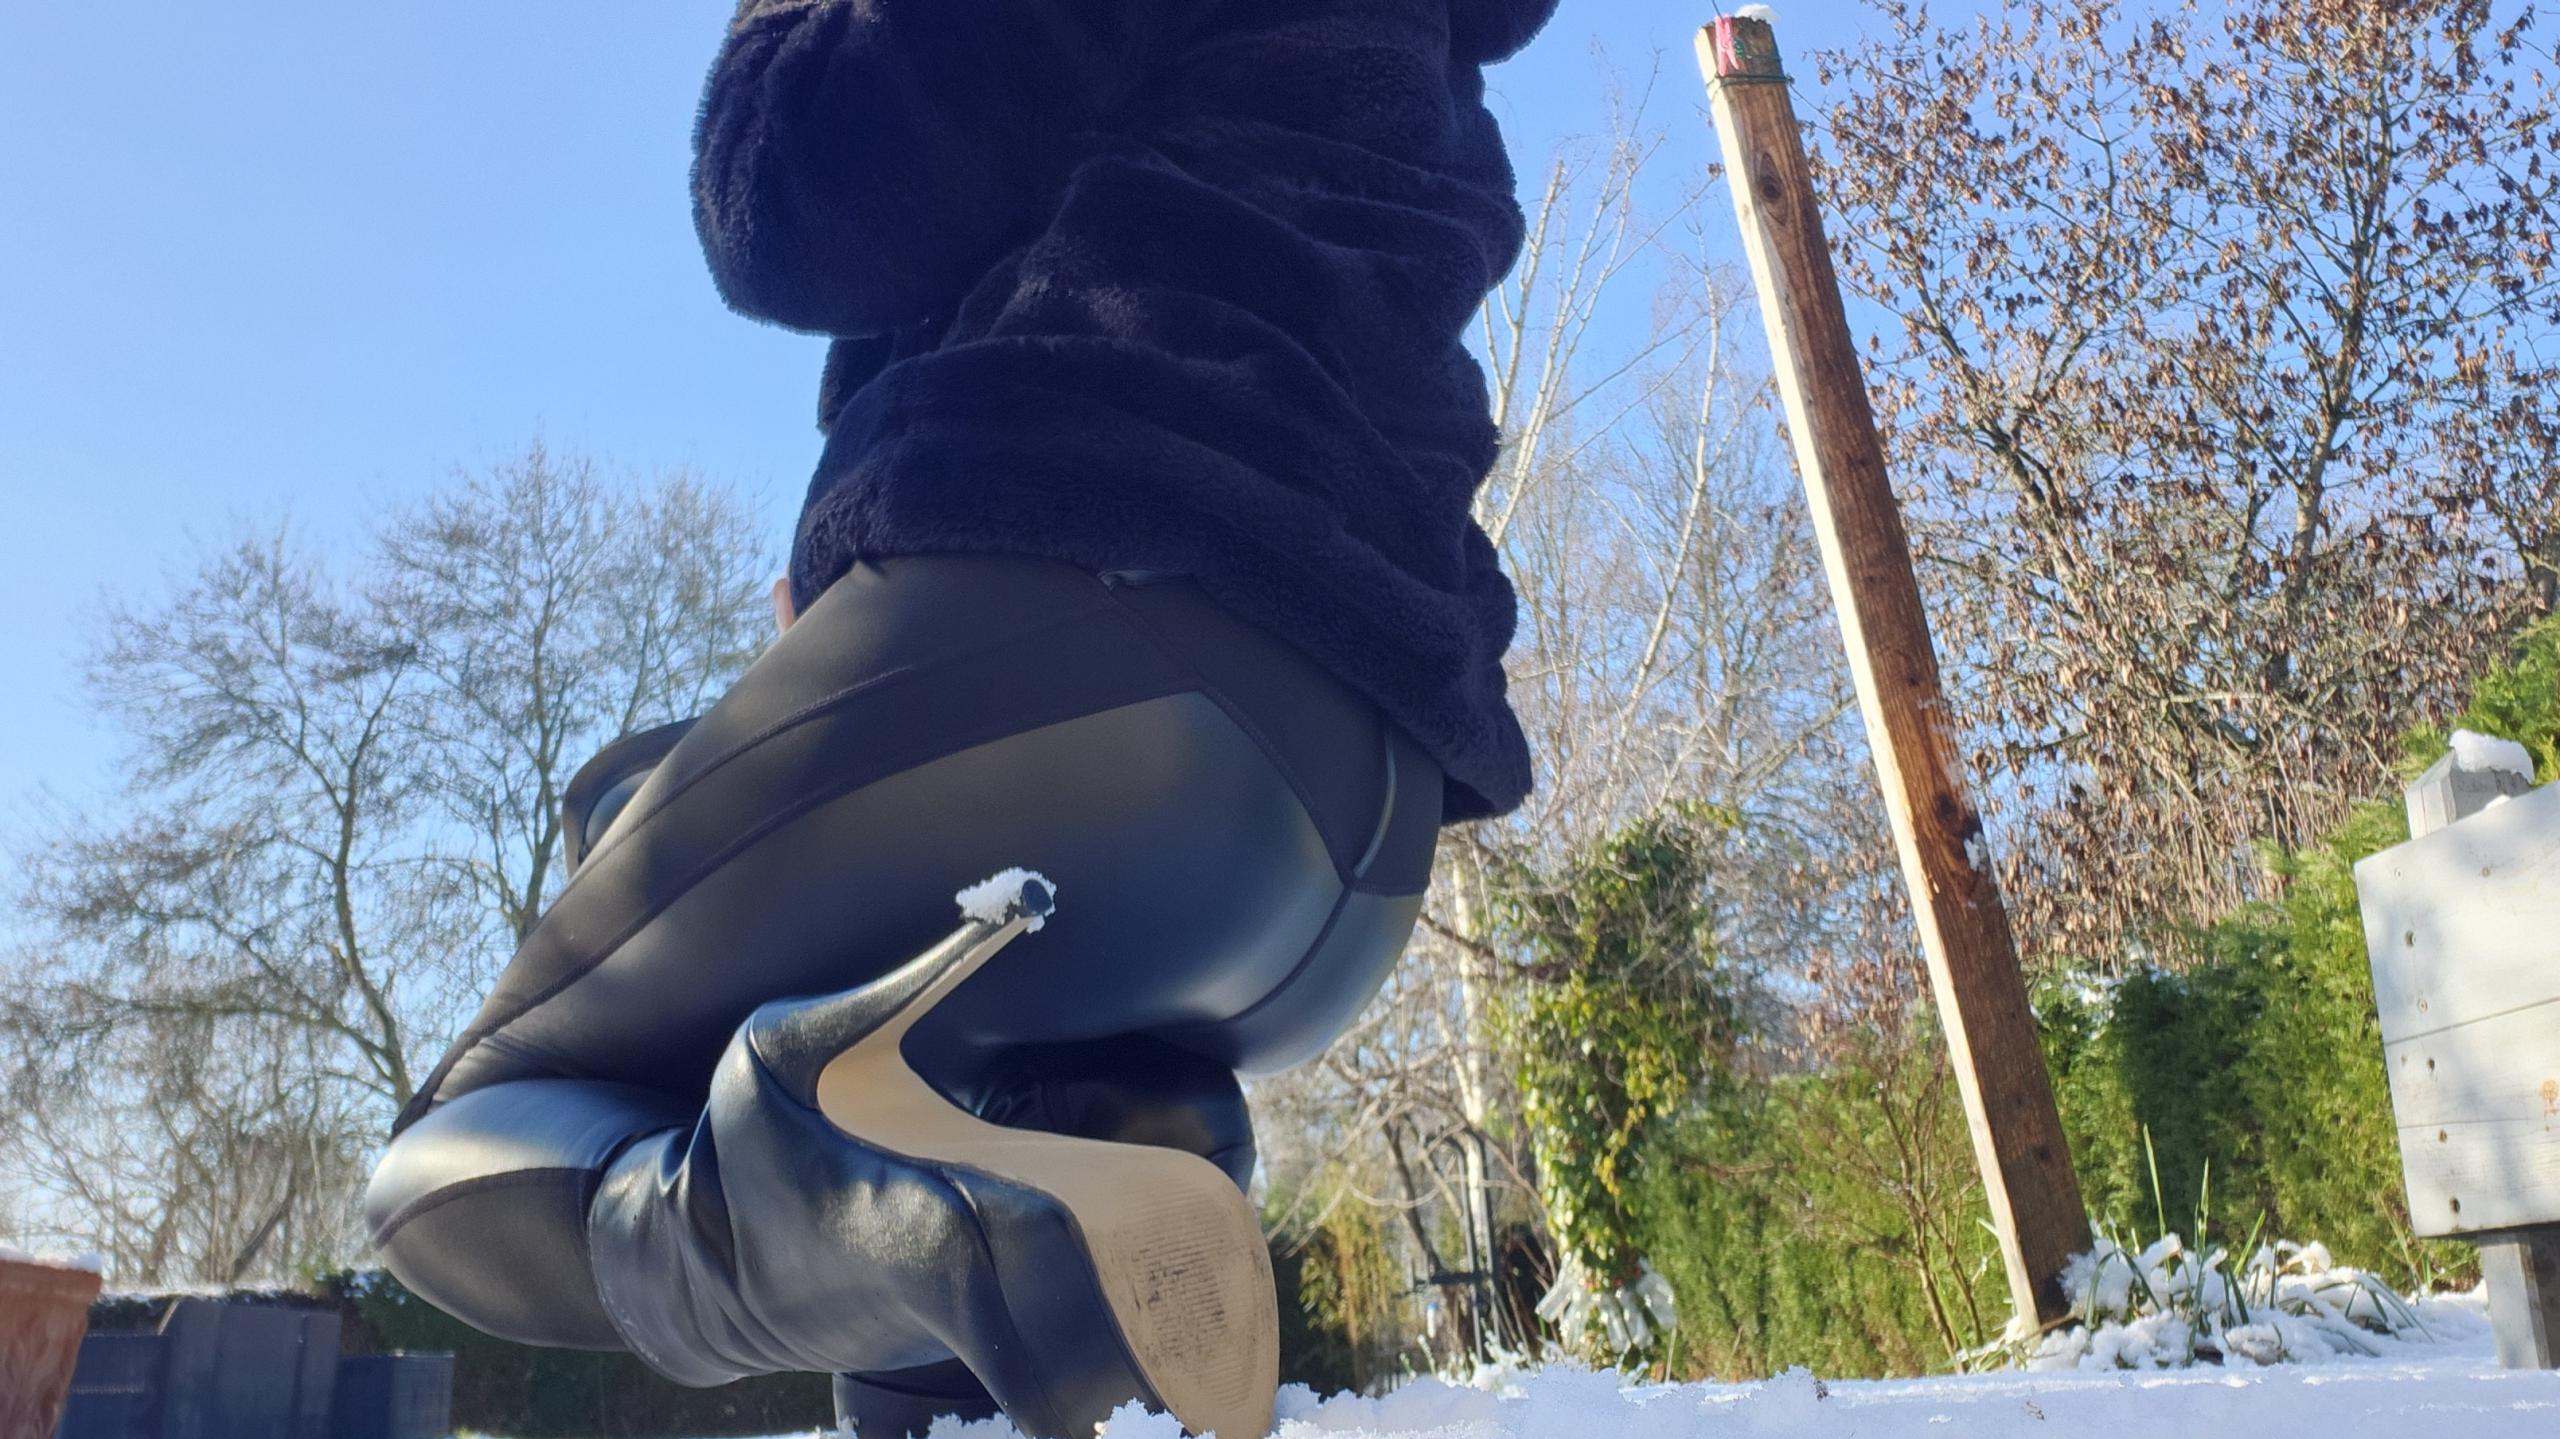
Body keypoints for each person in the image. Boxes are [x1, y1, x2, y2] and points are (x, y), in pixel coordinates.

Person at [363, 2, 1554, 1435]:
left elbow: (799, 190)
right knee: (927, 1120)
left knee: (448, 1158)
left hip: (1091, 653)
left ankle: (878, 1224)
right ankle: (1077, 1194)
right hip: (1341, 829)